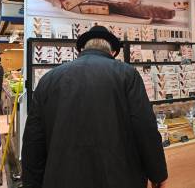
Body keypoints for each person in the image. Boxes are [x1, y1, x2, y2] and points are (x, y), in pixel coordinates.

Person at [22, 26, 168, 188]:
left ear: (81, 50)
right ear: (112, 52)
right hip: (119, 176)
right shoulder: (127, 74)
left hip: (62, 177)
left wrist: (31, 183)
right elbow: (144, 127)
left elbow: (33, 139)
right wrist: (157, 174)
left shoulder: (48, 79)